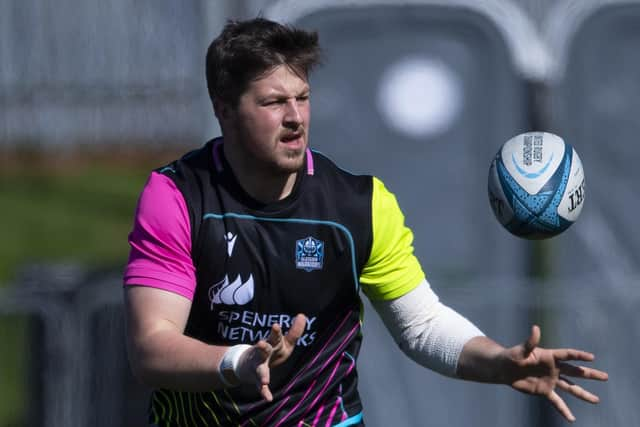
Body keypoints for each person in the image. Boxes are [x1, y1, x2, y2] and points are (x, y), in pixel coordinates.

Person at [123, 17, 608, 427]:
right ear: (224, 110)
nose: (295, 117)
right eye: (273, 103)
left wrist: (498, 363)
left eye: (303, 97)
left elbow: (421, 326)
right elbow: (152, 348)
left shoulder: (359, 206)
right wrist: (239, 362)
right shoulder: (179, 196)